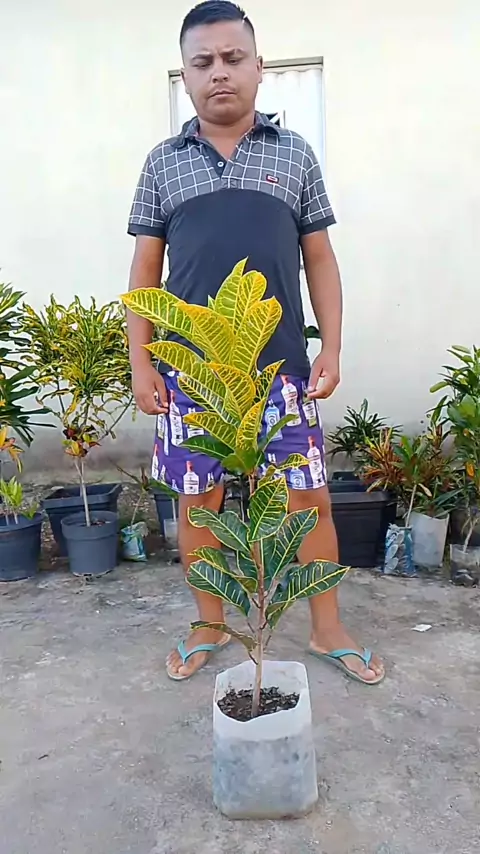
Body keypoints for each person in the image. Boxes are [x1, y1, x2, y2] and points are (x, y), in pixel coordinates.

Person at [126, 0, 385, 685]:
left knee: (309, 500)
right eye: (203, 62)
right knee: (198, 504)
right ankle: (209, 625)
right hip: (193, 377)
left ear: (259, 68)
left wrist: (331, 346)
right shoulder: (162, 164)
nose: (220, 72)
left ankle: (327, 627)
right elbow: (144, 273)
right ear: (185, 75)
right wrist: (141, 364)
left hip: (281, 372)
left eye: (233, 58)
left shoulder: (293, 154)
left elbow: (319, 259)